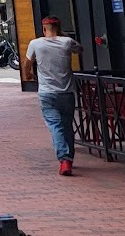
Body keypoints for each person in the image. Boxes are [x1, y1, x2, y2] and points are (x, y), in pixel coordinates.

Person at [24, 16, 84, 175]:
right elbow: (80, 49)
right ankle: (69, 157)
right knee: (67, 125)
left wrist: (28, 74)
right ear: (58, 27)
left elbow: (27, 63)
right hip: (67, 92)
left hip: (47, 92)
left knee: (55, 126)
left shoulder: (35, 44)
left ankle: (64, 159)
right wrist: (63, 36)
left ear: (44, 29)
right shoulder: (66, 42)